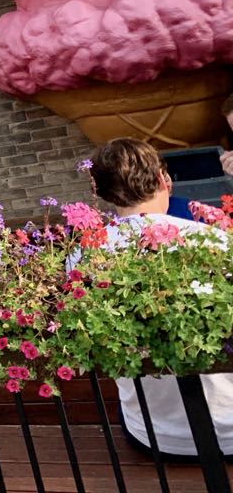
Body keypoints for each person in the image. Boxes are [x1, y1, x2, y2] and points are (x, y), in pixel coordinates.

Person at [82, 138, 233, 459]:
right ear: (164, 179)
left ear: (103, 193)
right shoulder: (215, 241)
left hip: (152, 434)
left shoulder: (83, 257)